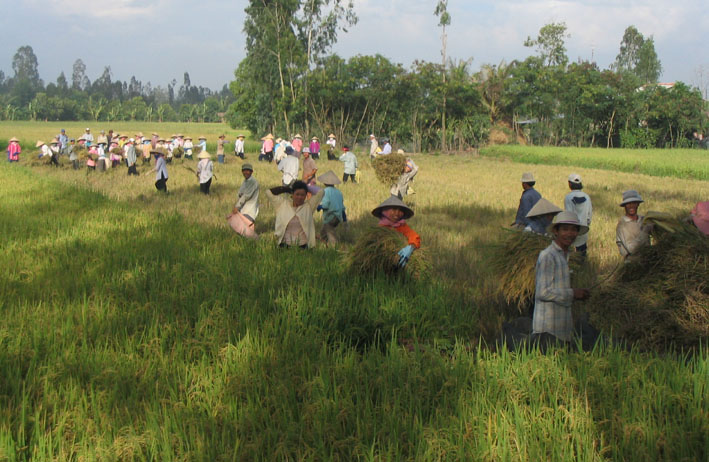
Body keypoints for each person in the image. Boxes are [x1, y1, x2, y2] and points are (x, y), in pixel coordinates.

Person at [267, 180, 324, 249]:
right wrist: (286, 189)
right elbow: (269, 192)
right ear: (292, 194)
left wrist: (306, 187)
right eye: (297, 194)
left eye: (302, 195)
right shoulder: (282, 204)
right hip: (284, 246)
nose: (299, 197)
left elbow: (321, 192)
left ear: (306, 195)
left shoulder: (309, 206)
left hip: (303, 247)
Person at [371, 195, 421, 268]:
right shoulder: (379, 229)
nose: (397, 213)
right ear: (385, 211)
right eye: (394, 209)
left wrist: (411, 247)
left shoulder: (402, 226)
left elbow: (414, 236)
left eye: (400, 210)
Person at [227, 163, 260, 239]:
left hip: (249, 209)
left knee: (246, 232)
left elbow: (246, 196)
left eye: (248, 171)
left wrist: (237, 207)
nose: (246, 172)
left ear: (251, 172)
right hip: (243, 209)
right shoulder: (245, 181)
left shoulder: (253, 182)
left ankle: (255, 242)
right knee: (242, 232)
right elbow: (240, 194)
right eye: (244, 171)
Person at [616, 190, 652, 258]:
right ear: (625, 206)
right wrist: (644, 232)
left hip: (648, 261)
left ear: (638, 204)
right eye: (628, 204)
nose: (631, 206)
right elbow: (632, 249)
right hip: (633, 264)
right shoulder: (622, 225)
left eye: (634, 203)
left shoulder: (644, 220)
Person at [564, 173, 592, 256]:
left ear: (569, 184)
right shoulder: (587, 197)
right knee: (582, 254)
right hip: (583, 229)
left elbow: (568, 215)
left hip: (571, 230)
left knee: (571, 255)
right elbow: (589, 216)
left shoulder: (568, 197)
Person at [317, 170, 346, 245]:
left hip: (330, 216)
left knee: (330, 232)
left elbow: (325, 205)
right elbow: (342, 208)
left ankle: (335, 248)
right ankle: (324, 246)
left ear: (324, 182)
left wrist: (319, 207)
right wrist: (345, 220)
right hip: (338, 217)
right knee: (323, 234)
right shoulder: (339, 192)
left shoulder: (326, 191)